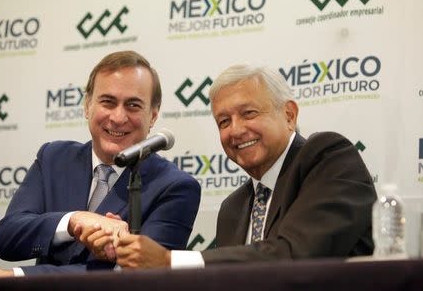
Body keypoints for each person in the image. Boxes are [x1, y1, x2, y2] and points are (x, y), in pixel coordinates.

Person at [86, 64, 377, 268]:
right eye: (224, 122)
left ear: (289, 114)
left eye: (248, 113)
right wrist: (126, 253)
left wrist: (167, 260)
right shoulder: (233, 208)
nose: (235, 131)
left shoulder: (327, 158)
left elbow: (294, 257)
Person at [0, 51, 200, 277]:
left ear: (153, 116)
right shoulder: (53, 158)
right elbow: (7, 237)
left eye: (133, 105)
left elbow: (134, 275)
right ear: (87, 106)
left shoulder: (176, 187)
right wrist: (74, 221)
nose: (118, 117)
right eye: (108, 102)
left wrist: (15, 277)